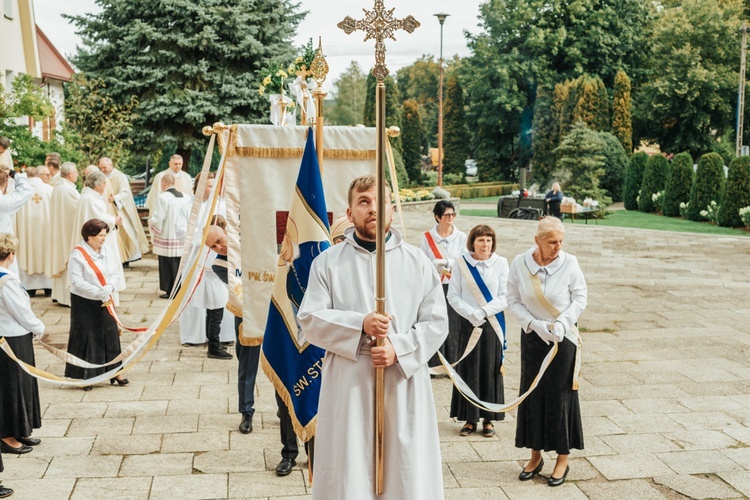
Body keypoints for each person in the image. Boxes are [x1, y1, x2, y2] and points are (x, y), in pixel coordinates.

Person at [297, 175, 448, 499]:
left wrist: (399, 347)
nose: (373, 209)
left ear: (391, 210)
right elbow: (309, 319)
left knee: (404, 468)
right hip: (349, 382)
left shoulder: (417, 263)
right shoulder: (328, 263)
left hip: (402, 380)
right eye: (364, 202)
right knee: (349, 466)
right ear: (349, 213)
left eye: (379, 202)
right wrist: (359, 324)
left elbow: (437, 322)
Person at [507, 216, 586, 487]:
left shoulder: (570, 262)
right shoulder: (519, 264)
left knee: (560, 395)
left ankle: (562, 458)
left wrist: (563, 322)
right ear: (537, 240)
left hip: (563, 339)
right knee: (533, 394)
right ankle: (535, 455)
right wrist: (533, 324)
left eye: (561, 241)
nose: (557, 247)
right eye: (552, 242)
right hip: (532, 337)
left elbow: (580, 297)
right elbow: (512, 300)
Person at [273, 214, 353, 478]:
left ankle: (317, 456)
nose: (342, 242)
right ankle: (288, 453)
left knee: (320, 402)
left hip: (325, 346)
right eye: (339, 237)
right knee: (287, 396)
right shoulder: (291, 262)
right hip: (291, 338)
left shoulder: (340, 267)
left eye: (345, 238)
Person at [447, 224, 508, 438]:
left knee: (489, 369)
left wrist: (483, 311)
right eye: (481, 240)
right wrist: (470, 313)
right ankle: (470, 418)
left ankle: (489, 418)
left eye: (489, 240)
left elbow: (504, 296)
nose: (486, 244)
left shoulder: (500, 263)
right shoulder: (461, 264)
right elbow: (453, 295)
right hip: (467, 324)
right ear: (472, 242)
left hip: (491, 323)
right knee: (469, 368)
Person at [205, 225, 260, 434]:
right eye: (213, 246)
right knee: (246, 364)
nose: (219, 248)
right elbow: (239, 289)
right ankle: (246, 411)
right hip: (246, 312)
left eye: (219, 240)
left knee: (281, 361)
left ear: (225, 230)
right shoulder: (219, 265)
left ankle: (283, 407)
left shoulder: (251, 240)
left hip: (272, 308)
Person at [64, 219, 129, 390]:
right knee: (87, 336)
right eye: (100, 235)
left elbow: (115, 271)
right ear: (89, 236)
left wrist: (110, 286)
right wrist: (97, 291)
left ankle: (116, 371)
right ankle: (88, 376)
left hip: (105, 297)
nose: (103, 238)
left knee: (111, 334)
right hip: (85, 302)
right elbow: (76, 281)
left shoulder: (106, 249)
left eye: (105, 235)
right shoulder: (77, 254)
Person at [177, 174, 234, 352]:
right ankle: (194, 335)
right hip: (197, 259)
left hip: (220, 259)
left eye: (213, 185)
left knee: (221, 298)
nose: (213, 189)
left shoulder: (223, 205)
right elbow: (180, 232)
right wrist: (204, 237)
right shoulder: (188, 208)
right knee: (196, 297)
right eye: (208, 186)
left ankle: (224, 336)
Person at [0, 233, 44, 455]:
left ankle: (19, 429)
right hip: (12, 338)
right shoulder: (6, 280)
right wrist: (39, 327)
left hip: (12, 336)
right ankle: (7, 435)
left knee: (20, 384)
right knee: (12, 387)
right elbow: (22, 312)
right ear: (11, 255)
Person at [420, 200, 468, 368]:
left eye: (452, 214)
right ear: (437, 217)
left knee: (454, 323)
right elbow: (423, 260)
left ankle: (453, 361)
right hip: (436, 284)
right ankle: (435, 361)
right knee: (436, 320)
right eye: (446, 215)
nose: (450, 218)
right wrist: (435, 264)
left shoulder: (461, 237)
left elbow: (465, 259)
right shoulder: (427, 237)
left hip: (455, 284)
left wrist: (447, 261)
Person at [70, 171, 126, 301]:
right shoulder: (91, 198)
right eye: (104, 183)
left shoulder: (88, 196)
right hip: (97, 237)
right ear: (97, 185)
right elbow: (100, 218)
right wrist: (114, 220)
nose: (106, 186)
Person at [99, 157, 149, 265]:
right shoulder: (100, 177)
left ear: (111, 165)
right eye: (101, 168)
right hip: (107, 210)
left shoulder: (120, 177)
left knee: (124, 233)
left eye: (104, 167)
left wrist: (115, 198)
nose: (102, 170)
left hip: (119, 210)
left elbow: (125, 192)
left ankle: (126, 258)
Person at [149, 173, 190, 298]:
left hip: (167, 236)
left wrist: (151, 222)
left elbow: (158, 218)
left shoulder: (163, 198)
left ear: (163, 184)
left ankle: (170, 290)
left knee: (167, 264)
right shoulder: (186, 197)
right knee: (180, 263)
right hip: (182, 235)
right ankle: (181, 289)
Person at [14, 167, 53, 295]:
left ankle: (30, 287)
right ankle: (48, 287)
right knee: (47, 251)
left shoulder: (20, 192)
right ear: (38, 175)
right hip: (47, 231)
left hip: (27, 234)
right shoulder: (49, 190)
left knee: (28, 252)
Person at [47, 162, 81, 307]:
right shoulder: (67, 190)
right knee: (69, 259)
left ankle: (59, 296)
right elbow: (77, 211)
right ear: (70, 174)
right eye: (76, 172)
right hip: (68, 232)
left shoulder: (58, 188)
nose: (78, 174)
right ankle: (67, 298)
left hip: (60, 230)